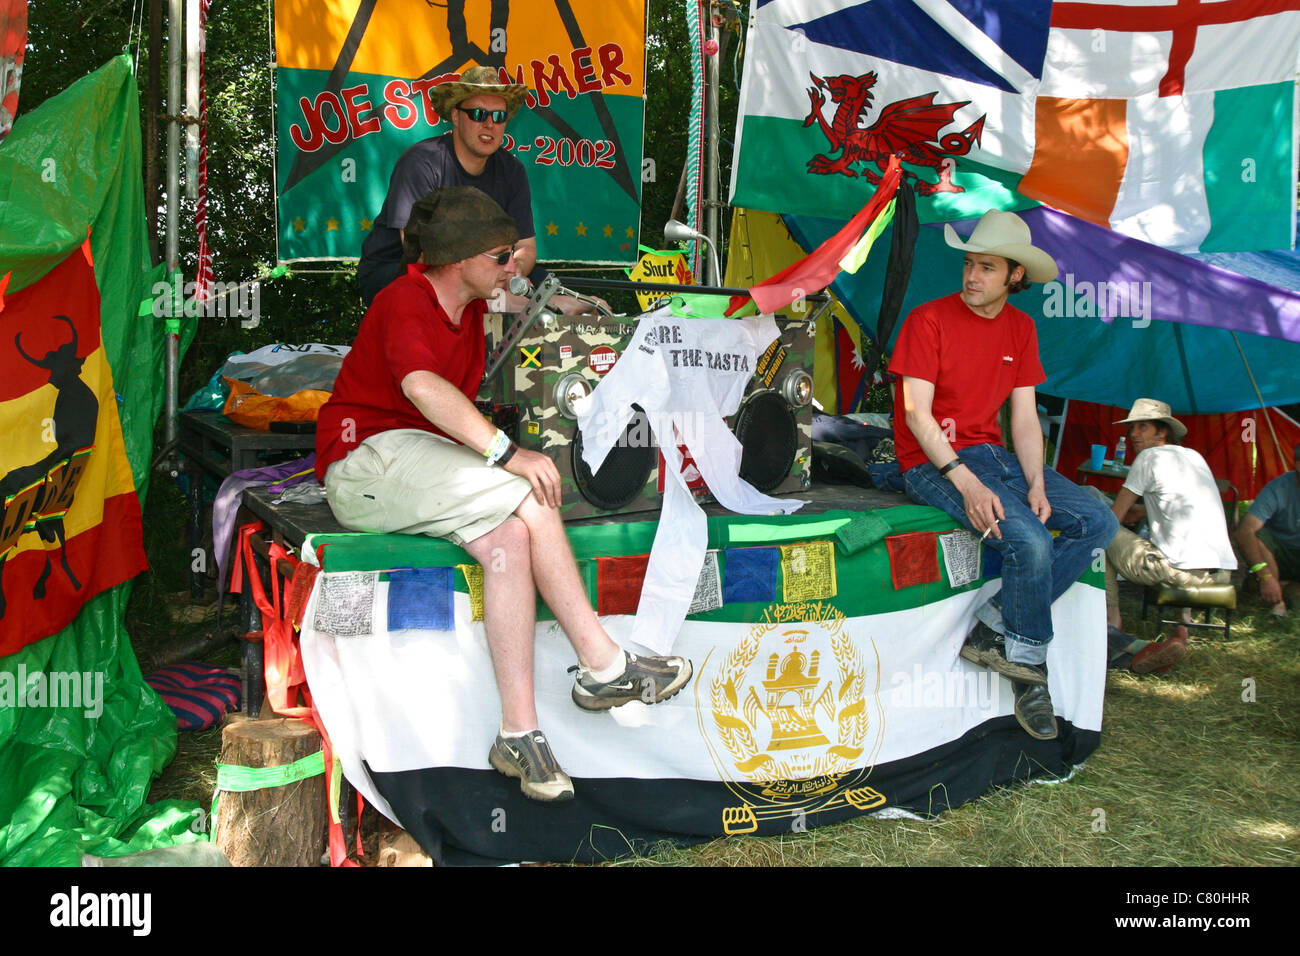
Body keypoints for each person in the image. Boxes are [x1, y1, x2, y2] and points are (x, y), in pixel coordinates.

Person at [315, 186, 692, 803]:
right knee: (529, 489)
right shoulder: (406, 298)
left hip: (417, 463)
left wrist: (571, 306)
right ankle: (603, 666)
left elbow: (528, 298)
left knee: (510, 539)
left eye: (511, 254)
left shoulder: (472, 302)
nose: (512, 265)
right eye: (500, 255)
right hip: (365, 465)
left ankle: (519, 732)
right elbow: (422, 387)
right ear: (458, 257)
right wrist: (507, 452)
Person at [888, 209, 1118, 741]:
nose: (972, 276)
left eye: (987, 267)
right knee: (1032, 543)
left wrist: (1037, 483)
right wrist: (966, 482)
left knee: (1097, 521)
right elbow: (917, 415)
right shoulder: (928, 319)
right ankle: (1030, 673)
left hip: (995, 456)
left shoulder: (1022, 327)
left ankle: (995, 626)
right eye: (970, 264)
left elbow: (1023, 417)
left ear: (1015, 275)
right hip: (929, 462)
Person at [357, 65, 601, 315]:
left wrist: (510, 274)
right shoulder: (421, 163)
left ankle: (550, 314)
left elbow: (526, 248)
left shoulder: (512, 170)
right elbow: (423, 257)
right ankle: (539, 308)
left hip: (484, 273)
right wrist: (498, 284)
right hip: (402, 272)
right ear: (455, 116)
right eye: (477, 114)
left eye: (498, 117)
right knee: (451, 286)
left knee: (551, 286)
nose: (489, 124)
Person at [1102, 399, 1236, 673]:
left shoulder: (1147, 458)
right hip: (1221, 574)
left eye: (1142, 427)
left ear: (1162, 432)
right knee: (1173, 546)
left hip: (1176, 573)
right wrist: (1140, 512)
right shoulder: (1194, 457)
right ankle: (1182, 625)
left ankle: (1111, 623)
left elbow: (1113, 518)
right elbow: (1175, 507)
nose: (1134, 434)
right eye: (1132, 429)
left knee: (1101, 534)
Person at [1235, 441, 1300, 616]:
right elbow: (1244, 531)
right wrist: (1265, 576)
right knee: (1259, 534)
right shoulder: (1278, 488)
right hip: (1278, 557)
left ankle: (1286, 589)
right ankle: (1276, 597)